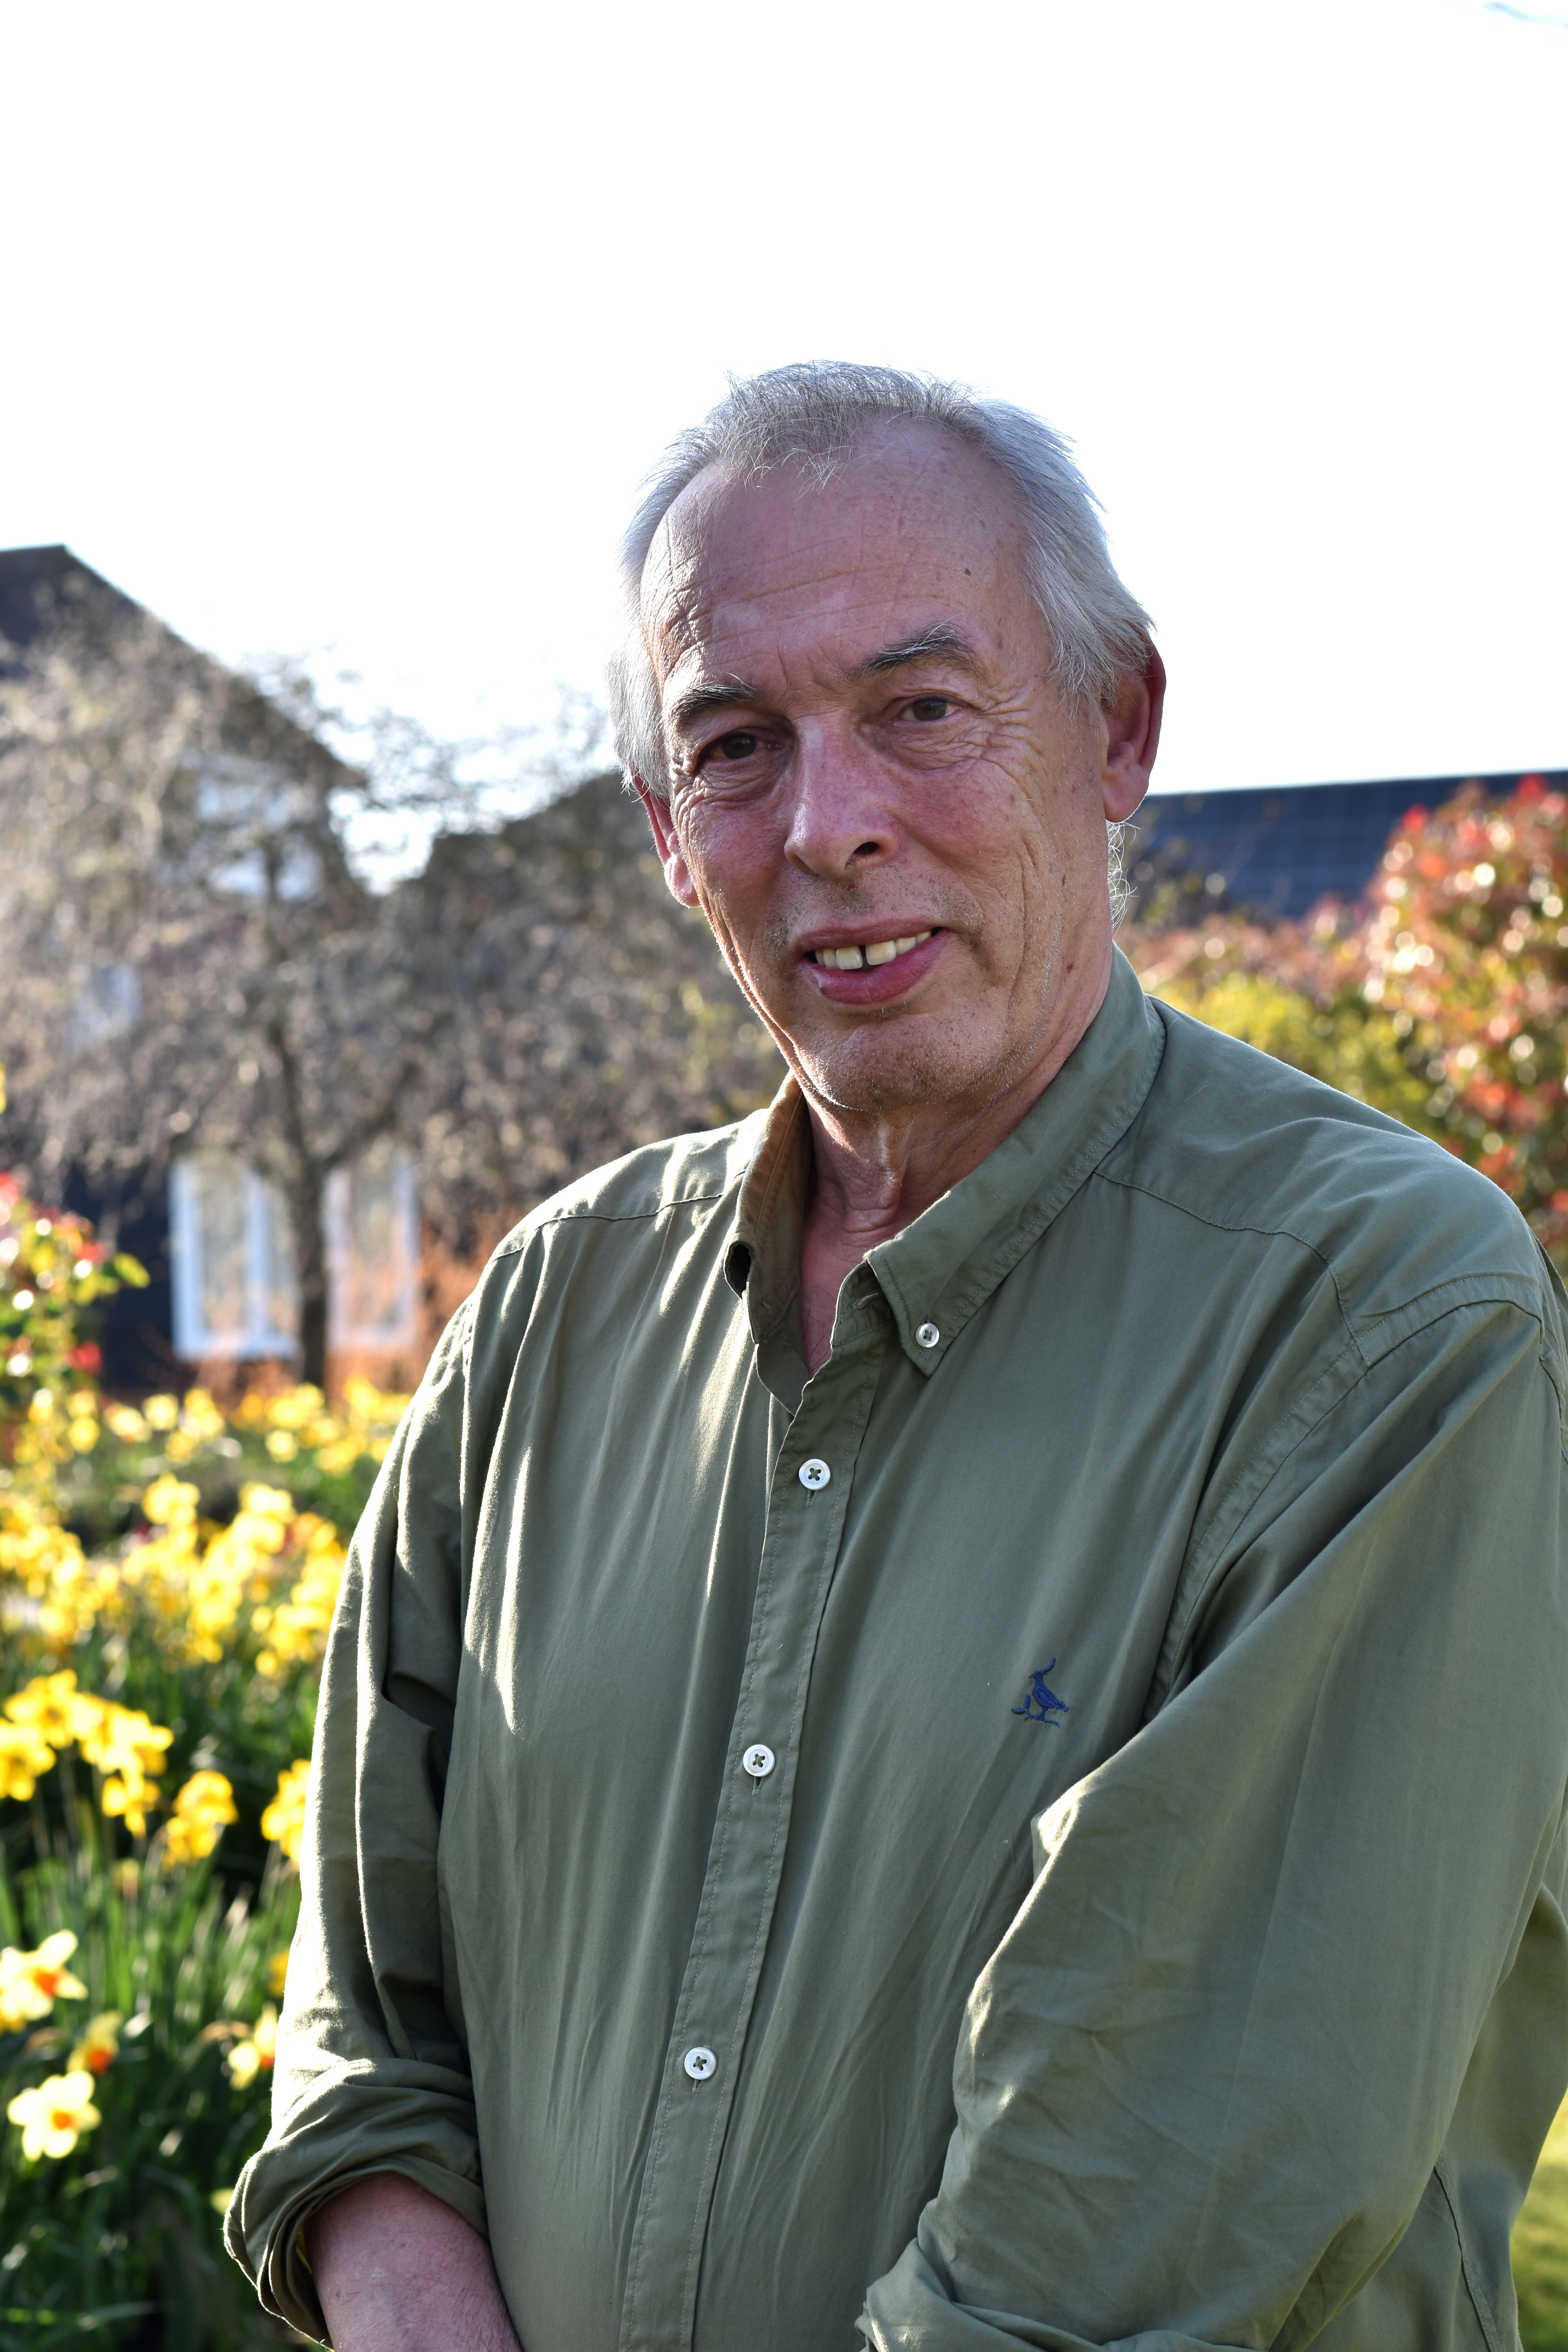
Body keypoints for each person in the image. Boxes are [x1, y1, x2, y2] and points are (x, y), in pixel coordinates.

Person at [228, 363, 1568, 2352]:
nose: (828, 827)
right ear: (668, 834)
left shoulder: (1379, 1319)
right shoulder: (546, 1317)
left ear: (1118, 734)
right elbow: (364, 2011)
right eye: (735, 745)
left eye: (922, 712)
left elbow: (1140, 2213)